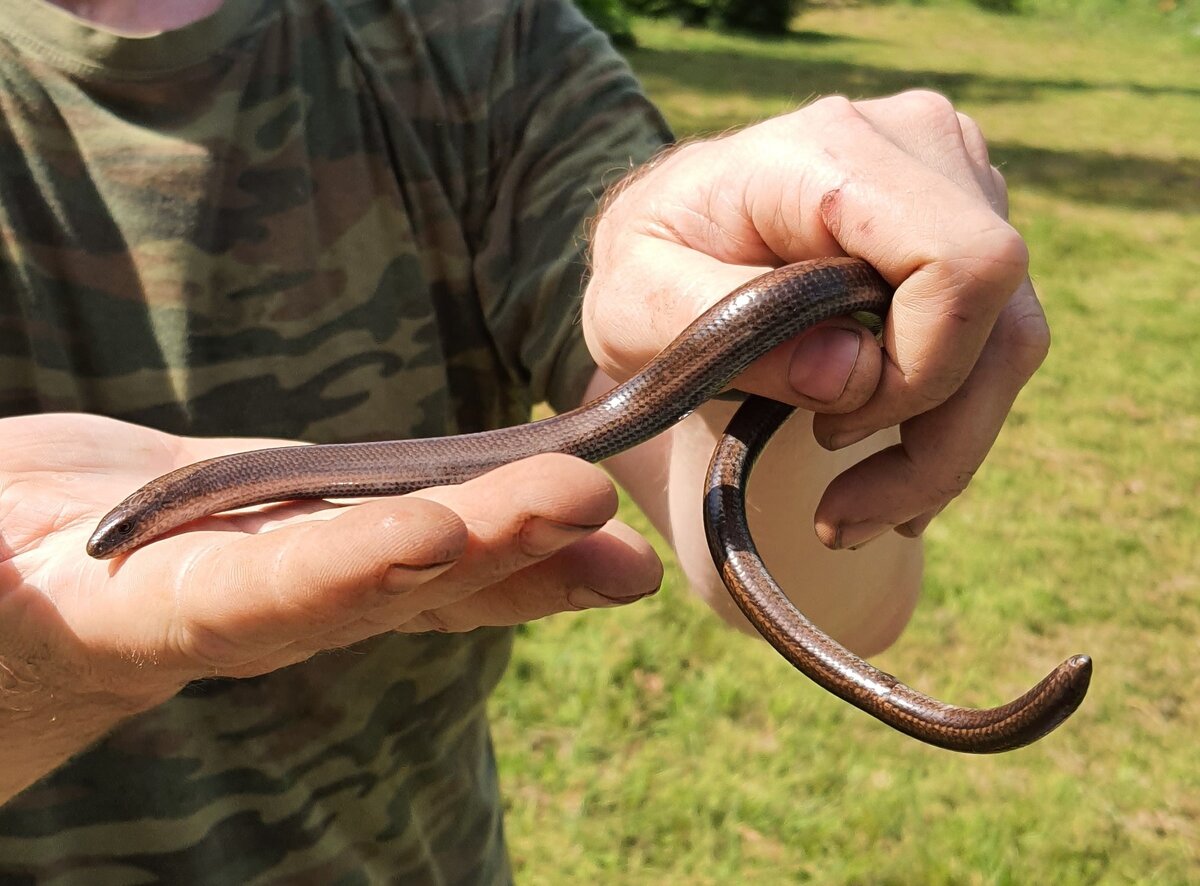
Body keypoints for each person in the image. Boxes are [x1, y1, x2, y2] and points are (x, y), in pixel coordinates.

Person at [0, 0, 1048, 881]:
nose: (129, 532)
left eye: (131, 527)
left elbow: (833, 584)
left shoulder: (480, 39)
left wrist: (794, 305)